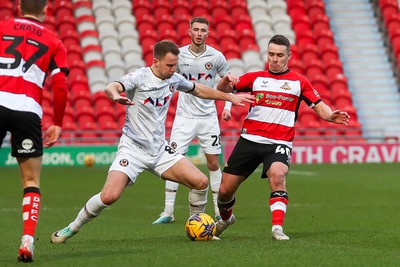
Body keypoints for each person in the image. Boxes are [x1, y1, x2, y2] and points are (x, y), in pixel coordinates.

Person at [50, 40, 253, 244]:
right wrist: (114, 96)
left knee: (200, 182)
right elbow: (113, 86)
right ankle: (71, 228)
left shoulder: (173, 78)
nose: (174, 69)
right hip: (133, 149)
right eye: (170, 65)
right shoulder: (140, 77)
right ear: (156, 62)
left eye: (176, 65)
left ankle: (197, 227)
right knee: (110, 196)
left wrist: (228, 97)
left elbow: (199, 89)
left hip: (159, 149)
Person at [213, 35, 350, 240]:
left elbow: (319, 106)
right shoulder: (255, 78)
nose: (274, 59)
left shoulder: (299, 82)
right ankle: (226, 218)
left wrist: (330, 116)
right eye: (271, 54)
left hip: (279, 142)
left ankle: (277, 228)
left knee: (278, 176)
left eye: (279, 55)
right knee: (224, 191)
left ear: (289, 56)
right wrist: (225, 80)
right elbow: (222, 91)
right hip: (250, 140)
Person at [0, 0, 69, 262]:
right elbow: (60, 84)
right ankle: (27, 241)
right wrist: (58, 122)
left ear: (19, 7)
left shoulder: (3, 26)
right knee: (31, 181)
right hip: (28, 109)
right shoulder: (54, 41)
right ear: (46, 9)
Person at [153, 17, 232, 224]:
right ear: (189, 31)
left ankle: (217, 209)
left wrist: (228, 107)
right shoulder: (179, 55)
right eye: (196, 29)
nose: (199, 33)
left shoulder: (216, 57)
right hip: (184, 117)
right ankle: (168, 211)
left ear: (208, 33)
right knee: (173, 160)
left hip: (208, 117)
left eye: (203, 30)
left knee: (213, 162)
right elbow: (167, 78)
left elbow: (230, 83)